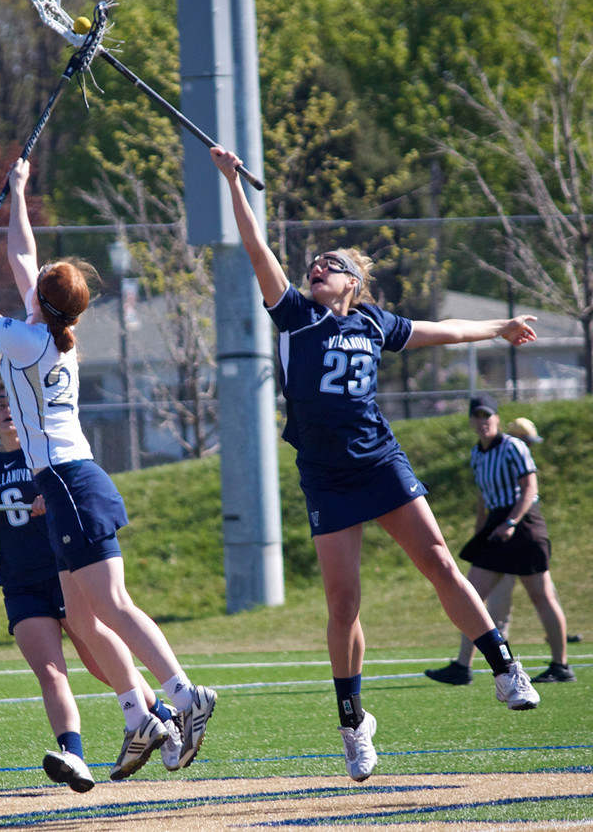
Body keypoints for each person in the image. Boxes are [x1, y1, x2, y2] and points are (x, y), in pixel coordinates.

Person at [210, 146, 540, 784]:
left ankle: (505, 668)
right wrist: (233, 183)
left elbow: (441, 328)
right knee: (343, 604)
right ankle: (353, 725)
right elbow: (256, 250)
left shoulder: (373, 322)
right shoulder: (296, 316)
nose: (316, 269)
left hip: (379, 460)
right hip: (327, 476)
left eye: (329, 266)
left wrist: (499, 325)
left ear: (353, 284)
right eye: (314, 265)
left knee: (441, 561)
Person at [0, 158, 216, 782]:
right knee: (86, 610)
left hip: (70, 482)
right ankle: (138, 716)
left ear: (41, 303)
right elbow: (25, 259)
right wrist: (17, 192)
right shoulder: (54, 330)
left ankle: (184, 696)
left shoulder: (29, 340)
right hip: (70, 481)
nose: (31, 277)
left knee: (114, 605)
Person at [0, 382, 182, 792]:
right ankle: (74, 756)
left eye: (13, 404)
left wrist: (49, 501)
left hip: (64, 572)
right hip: (20, 581)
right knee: (49, 671)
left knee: (98, 663)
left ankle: (163, 718)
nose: (6, 411)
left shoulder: (46, 457)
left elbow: (70, 498)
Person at [425, 398, 575, 686]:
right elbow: (483, 496)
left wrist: (511, 523)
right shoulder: (477, 454)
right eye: (477, 416)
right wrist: (480, 531)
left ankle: (561, 665)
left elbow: (530, 487)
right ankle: (462, 666)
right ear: (471, 421)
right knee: (469, 594)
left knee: (542, 595)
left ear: (496, 418)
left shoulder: (513, 446)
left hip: (523, 521)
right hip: (496, 524)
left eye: (487, 416)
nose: (482, 421)